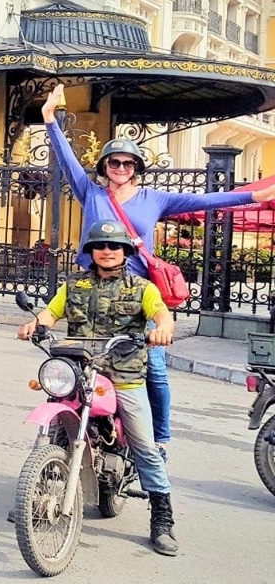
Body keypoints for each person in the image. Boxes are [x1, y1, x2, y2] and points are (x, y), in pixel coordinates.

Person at [43, 84, 275, 458]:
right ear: (104, 167)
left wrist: (252, 195)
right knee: (77, 364)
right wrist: (50, 120)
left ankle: (159, 438)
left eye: (127, 163)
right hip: (92, 290)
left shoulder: (155, 199)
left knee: (154, 369)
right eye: (114, 163)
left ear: (137, 168)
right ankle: (69, 431)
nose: (121, 168)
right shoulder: (91, 193)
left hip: (138, 293)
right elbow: (67, 160)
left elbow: (205, 200)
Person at [15, 220, 179, 556]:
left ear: (125, 252)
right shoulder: (74, 285)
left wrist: (162, 329)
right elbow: (51, 313)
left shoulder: (142, 288)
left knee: (146, 446)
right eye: (100, 246)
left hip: (124, 376)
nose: (107, 251)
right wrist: (35, 324)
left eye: (114, 246)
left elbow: (163, 315)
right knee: (52, 430)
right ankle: (35, 492)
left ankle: (162, 518)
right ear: (91, 252)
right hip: (79, 371)